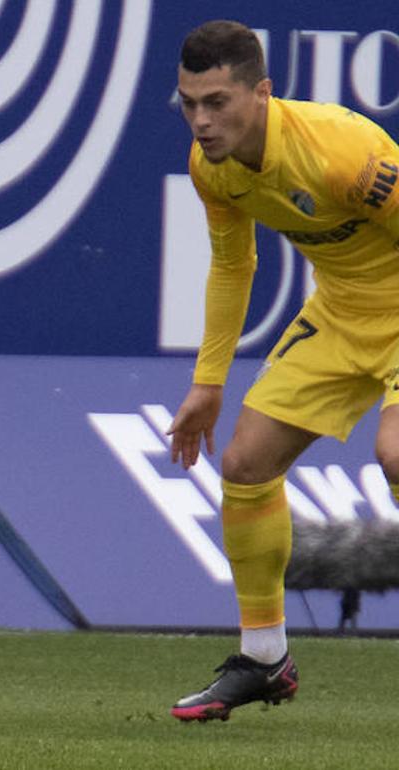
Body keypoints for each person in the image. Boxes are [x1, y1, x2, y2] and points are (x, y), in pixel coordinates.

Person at [167, 19, 399, 721]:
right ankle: (265, 658)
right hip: (340, 315)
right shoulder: (212, 168)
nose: (201, 121)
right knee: (244, 464)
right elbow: (235, 264)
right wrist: (209, 383)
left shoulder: (343, 154)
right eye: (188, 103)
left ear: (262, 92)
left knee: (395, 452)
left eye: (217, 102)